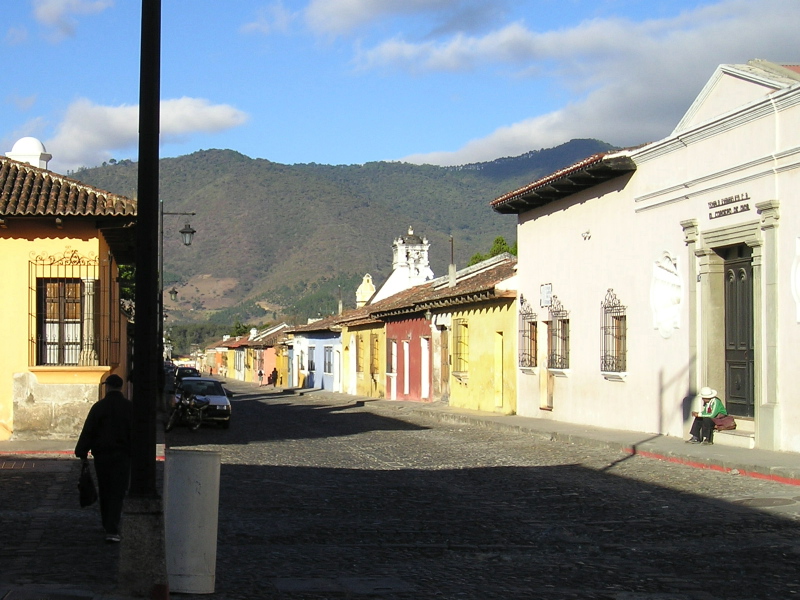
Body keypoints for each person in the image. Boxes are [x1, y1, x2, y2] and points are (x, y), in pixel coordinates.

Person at [75, 374, 132, 543]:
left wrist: (82, 451)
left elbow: (89, 430)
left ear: (107, 387)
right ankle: (112, 526)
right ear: (121, 387)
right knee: (118, 491)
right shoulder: (129, 408)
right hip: (122, 456)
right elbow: (136, 432)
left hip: (102, 456)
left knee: (105, 489)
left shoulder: (99, 407)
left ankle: (107, 523)